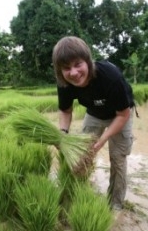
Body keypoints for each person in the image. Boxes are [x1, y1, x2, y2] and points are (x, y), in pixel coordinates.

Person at [52, 36, 136, 210]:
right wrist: (63, 134)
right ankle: (79, 195)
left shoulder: (110, 76)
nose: (73, 73)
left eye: (77, 64)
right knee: (81, 155)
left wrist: (102, 140)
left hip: (120, 114)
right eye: (66, 68)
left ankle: (115, 205)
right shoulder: (65, 83)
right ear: (60, 71)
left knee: (118, 159)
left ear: (88, 62)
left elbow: (123, 115)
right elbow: (65, 110)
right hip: (94, 114)